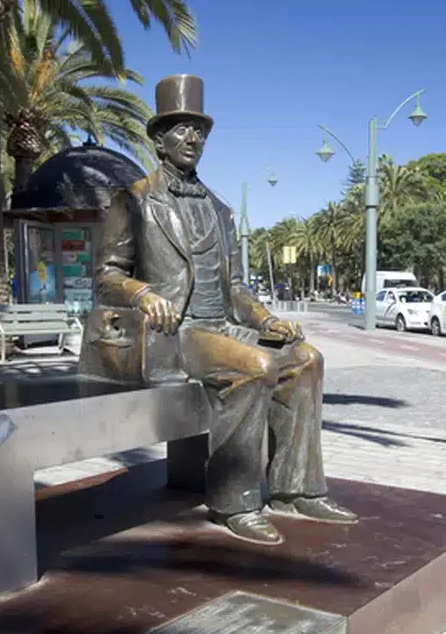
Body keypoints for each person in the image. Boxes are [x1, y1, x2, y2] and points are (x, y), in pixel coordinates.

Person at [93, 74, 357, 545]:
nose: (193, 138)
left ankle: (296, 489)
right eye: (181, 128)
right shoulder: (133, 200)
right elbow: (106, 277)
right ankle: (234, 500)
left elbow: (235, 287)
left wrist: (265, 319)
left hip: (222, 326)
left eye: (201, 130)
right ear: (158, 139)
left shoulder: (219, 208)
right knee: (256, 366)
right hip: (176, 334)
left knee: (305, 360)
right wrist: (143, 295)